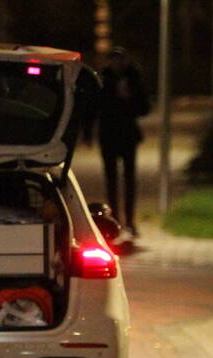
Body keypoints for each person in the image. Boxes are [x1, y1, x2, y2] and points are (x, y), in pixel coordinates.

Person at [91, 47, 149, 237]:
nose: (116, 64)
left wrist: (129, 98)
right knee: (111, 180)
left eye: (119, 60)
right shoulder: (102, 80)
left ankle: (130, 221)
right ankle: (114, 219)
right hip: (108, 136)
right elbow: (94, 108)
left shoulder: (133, 78)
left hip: (127, 136)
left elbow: (144, 108)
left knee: (129, 179)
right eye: (113, 60)